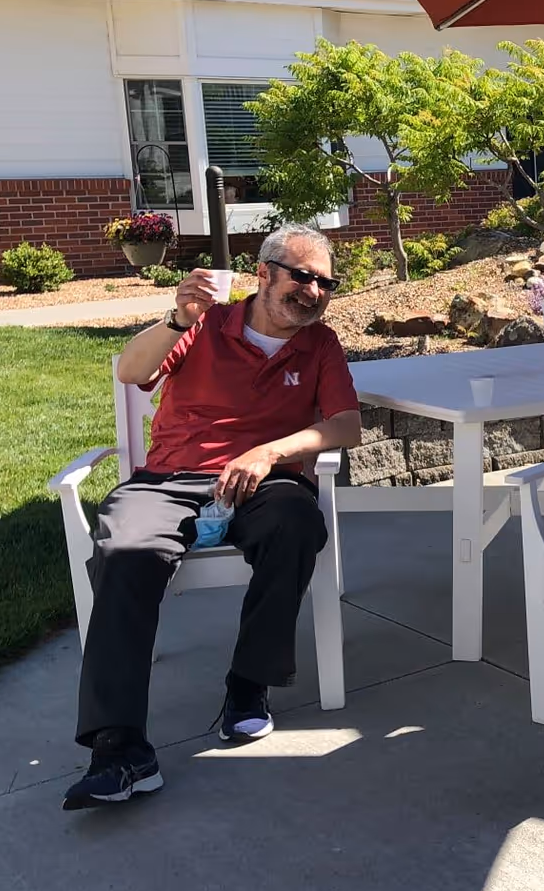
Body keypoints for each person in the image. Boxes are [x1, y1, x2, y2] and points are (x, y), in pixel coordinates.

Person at [64, 224, 362, 810]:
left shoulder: (320, 344)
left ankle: (247, 688)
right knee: (126, 552)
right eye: (302, 276)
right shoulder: (205, 321)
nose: (313, 291)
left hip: (264, 480)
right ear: (264, 273)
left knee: (295, 525)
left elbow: (345, 425)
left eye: (325, 282)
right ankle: (119, 746)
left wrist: (271, 451)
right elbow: (130, 371)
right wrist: (176, 318)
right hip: (172, 477)